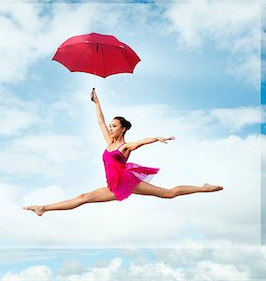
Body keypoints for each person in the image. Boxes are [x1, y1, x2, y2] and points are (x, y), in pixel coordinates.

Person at [23, 88, 223, 216]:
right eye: (110, 126)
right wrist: (97, 102)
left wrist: (157, 138)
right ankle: (43, 208)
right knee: (83, 197)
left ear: (123, 129)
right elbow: (100, 121)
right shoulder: (109, 142)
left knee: (168, 194)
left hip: (126, 182)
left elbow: (142, 142)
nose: (110, 128)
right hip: (113, 185)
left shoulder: (124, 147)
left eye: (114, 126)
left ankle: (203, 188)